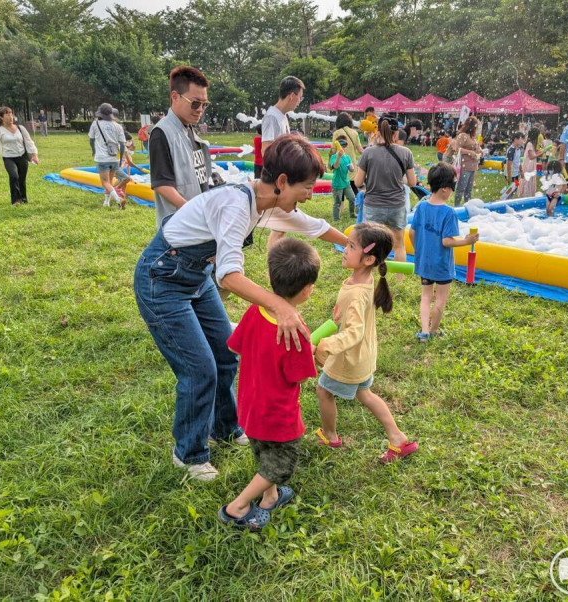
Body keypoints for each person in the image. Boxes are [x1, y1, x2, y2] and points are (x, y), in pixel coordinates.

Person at [134, 136, 336, 482]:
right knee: (200, 369)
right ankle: (189, 454)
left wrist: (359, 245)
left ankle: (225, 428)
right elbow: (228, 275)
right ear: (283, 182)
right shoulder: (236, 204)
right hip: (162, 280)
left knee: (227, 356)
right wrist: (280, 306)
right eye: (306, 187)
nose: (308, 195)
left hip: (195, 278)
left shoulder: (268, 202)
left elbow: (310, 225)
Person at [219, 239, 320, 530]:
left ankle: (269, 498)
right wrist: (312, 349)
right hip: (277, 414)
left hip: (250, 406)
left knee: (264, 453)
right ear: (306, 290)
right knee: (281, 463)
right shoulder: (297, 333)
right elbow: (299, 375)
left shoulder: (254, 311)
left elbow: (236, 346)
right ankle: (237, 507)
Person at [314, 222, 419, 462]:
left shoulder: (357, 292)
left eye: (351, 246)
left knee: (323, 390)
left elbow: (354, 332)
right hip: (363, 355)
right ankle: (398, 438)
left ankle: (330, 436)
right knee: (366, 394)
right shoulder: (366, 278)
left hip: (348, 357)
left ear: (369, 260)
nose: (345, 249)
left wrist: (326, 346)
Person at [409, 163, 479, 342]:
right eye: (452, 188)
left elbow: (411, 232)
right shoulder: (449, 213)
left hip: (424, 261)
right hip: (441, 264)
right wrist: (467, 241)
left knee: (425, 296)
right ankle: (433, 331)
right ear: (445, 189)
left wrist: (419, 250)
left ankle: (423, 331)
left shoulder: (422, 207)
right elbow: (446, 241)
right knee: (440, 298)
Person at [354, 116, 417, 281]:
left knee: (370, 245)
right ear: (396, 133)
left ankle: (369, 278)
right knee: (399, 245)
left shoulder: (368, 153)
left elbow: (358, 182)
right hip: (396, 205)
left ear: (378, 132)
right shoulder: (406, 153)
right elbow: (412, 182)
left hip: (373, 206)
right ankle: (399, 280)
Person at [149, 66, 213, 227]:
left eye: (204, 105)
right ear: (175, 97)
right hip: (180, 228)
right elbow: (162, 185)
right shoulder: (161, 133)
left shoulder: (189, 130)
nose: (200, 110)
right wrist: (194, 211)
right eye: (195, 103)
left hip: (199, 225)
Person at [262, 76, 306, 249]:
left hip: (285, 177)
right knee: (279, 227)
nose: (299, 102)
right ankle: (274, 267)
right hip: (277, 179)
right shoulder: (271, 117)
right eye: (300, 97)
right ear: (291, 96)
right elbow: (266, 150)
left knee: (281, 227)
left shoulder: (282, 116)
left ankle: (275, 265)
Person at [0, 106, 39, 206]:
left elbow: (29, 142)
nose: (10, 116)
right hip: (9, 158)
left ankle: (23, 199)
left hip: (22, 156)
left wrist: (35, 155)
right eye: (7, 114)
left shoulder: (21, 128)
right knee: (14, 176)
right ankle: (15, 200)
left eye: (11, 113)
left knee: (22, 179)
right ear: (1, 117)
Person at [88, 103, 125, 209]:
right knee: (109, 181)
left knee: (105, 182)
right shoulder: (118, 126)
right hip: (114, 158)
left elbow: (91, 140)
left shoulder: (96, 124)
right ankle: (106, 202)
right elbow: (122, 144)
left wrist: (93, 150)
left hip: (102, 158)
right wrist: (121, 157)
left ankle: (118, 199)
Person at [331, 112, 365, 195]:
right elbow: (360, 150)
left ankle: (341, 208)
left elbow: (333, 150)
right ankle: (357, 206)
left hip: (340, 166)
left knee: (340, 193)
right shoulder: (354, 133)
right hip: (351, 165)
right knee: (354, 191)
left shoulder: (336, 133)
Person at [453, 117, 481, 207]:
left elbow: (475, 148)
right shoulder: (463, 135)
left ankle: (467, 206)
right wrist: (470, 152)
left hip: (473, 165)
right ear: (471, 126)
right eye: (476, 126)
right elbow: (457, 149)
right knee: (461, 188)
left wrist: (480, 151)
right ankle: (457, 206)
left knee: (469, 189)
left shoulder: (472, 136)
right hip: (465, 165)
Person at [330, 138, 356, 220]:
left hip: (346, 183)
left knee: (352, 198)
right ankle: (336, 219)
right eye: (342, 146)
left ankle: (352, 214)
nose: (343, 148)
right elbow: (335, 166)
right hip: (337, 184)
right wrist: (338, 157)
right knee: (337, 202)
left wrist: (350, 165)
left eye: (345, 146)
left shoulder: (347, 157)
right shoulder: (333, 157)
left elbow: (352, 169)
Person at [518, 127, 541, 197]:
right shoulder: (530, 144)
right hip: (529, 165)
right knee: (528, 180)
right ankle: (526, 195)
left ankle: (527, 194)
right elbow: (531, 157)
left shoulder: (530, 143)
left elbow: (532, 154)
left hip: (529, 164)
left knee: (528, 179)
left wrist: (537, 153)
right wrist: (541, 153)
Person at [504, 132, 526, 197]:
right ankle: (506, 199)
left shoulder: (518, 149)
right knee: (510, 190)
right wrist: (509, 178)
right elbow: (509, 165)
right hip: (511, 175)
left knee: (514, 188)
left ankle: (508, 197)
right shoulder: (511, 150)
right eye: (521, 139)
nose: (523, 141)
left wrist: (521, 171)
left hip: (515, 174)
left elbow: (518, 161)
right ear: (516, 139)